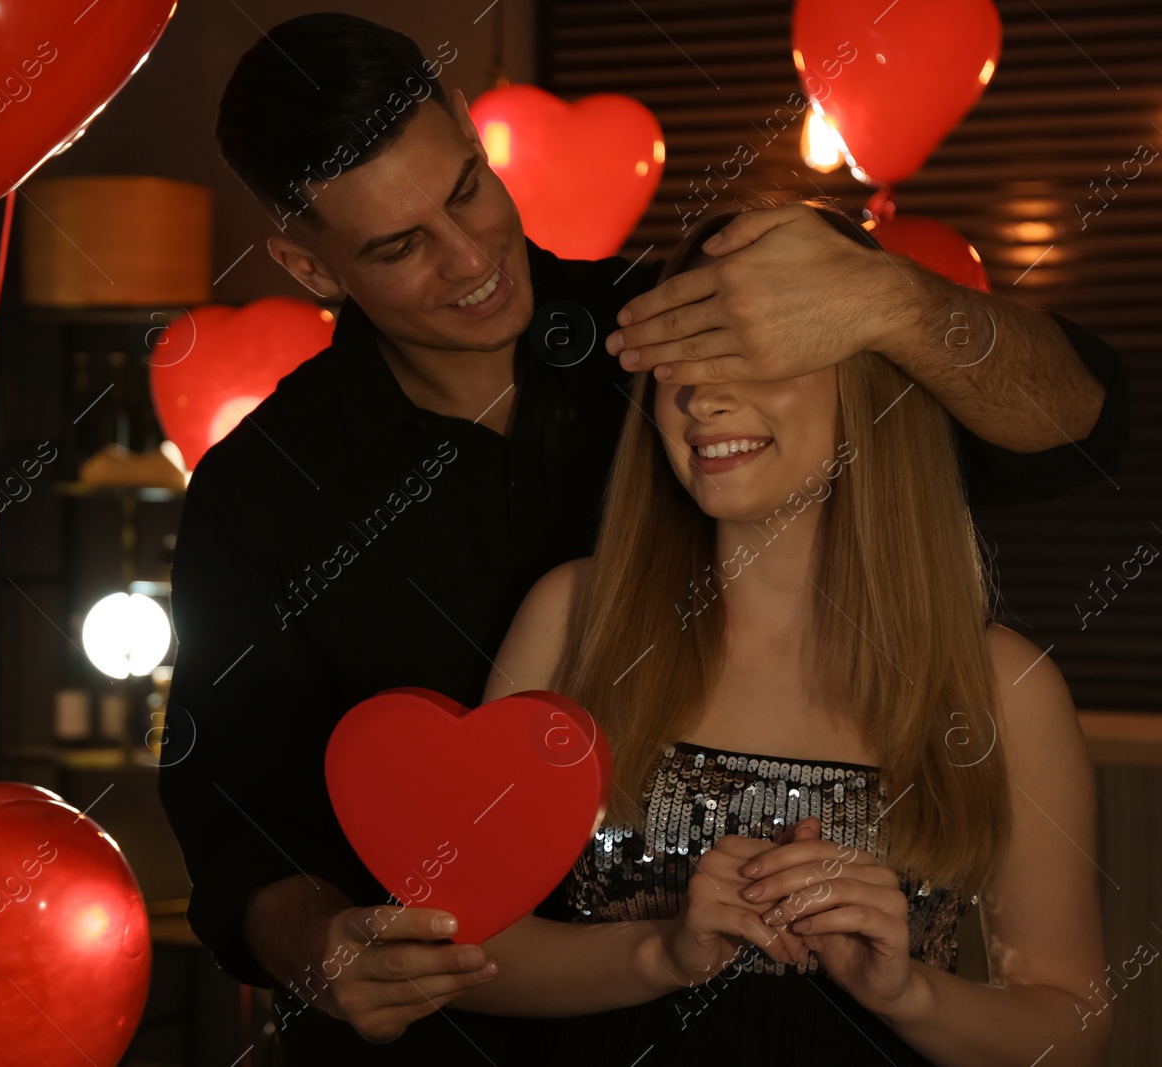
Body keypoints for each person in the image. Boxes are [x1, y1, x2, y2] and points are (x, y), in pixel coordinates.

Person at [156, 13, 1128, 1065]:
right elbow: (233, 810)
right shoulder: (261, 492)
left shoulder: (679, 331)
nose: (473, 256)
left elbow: (1076, 431)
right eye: (399, 247)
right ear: (310, 268)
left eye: (469, 189)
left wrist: (893, 301)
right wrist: (315, 939)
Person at [462, 206, 1110, 1066]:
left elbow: (1072, 1030)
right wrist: (659, 953)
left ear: (868, 383)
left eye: (748, 355)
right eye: (677, 364)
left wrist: (908, 992)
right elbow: (466, 944)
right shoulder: (572, 618)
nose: (701, 396)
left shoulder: (1002, 686)